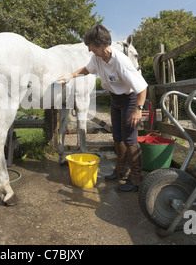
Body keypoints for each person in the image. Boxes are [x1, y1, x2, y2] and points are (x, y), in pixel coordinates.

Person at [57, 24, 147, 192]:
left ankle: (136, 179)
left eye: (91, 45)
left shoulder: (121, 62)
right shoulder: (98, 58)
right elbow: (87, 69)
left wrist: (138, 109)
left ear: (102, 45)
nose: (89, 49)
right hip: (116, 99)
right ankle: (121, 170)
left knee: (130, 139)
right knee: (117, 136)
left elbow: (142, 87)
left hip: (129, 100)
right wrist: (71, 75)